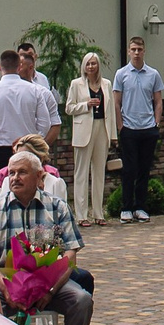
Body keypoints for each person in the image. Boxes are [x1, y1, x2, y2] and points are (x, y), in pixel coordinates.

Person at [0, 151, 94, 325]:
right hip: (7, 281)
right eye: (11, 173)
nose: (15, 178)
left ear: (39, 177)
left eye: (22, 172)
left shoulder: (56, 207)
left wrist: (51, 290)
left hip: (51, 281)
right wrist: (5, 287)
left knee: (82, 300)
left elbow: (70, 254)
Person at [111, 36, 164, 225]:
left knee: (144, 169)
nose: (136, 53)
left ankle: (140, 207)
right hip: (129, 128)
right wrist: (120, 126)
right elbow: (116, 103)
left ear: (144, 51)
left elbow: (158, 101)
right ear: (128, 51)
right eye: (133, 49)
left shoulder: (153, 74)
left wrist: (156, 123)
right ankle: (126, 208)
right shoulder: (121, 74)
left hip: (148, 128)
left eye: (139, 50)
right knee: (129, 169)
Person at [0, 48, 61, 166]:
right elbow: (44, 123)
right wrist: (35, 142)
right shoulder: (35, 91)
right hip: (28, 148)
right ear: (19, 67)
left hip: (2, 151)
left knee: (4, 184)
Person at [54, 51, 110, 223]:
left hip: (102, 127)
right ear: (84, 67)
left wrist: (113, 135)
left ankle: (98, 214)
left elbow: (111, 112)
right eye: (88, 64)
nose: (91, 67)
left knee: (99, 172)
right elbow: (69, 108)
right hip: (83, 129)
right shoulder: (76, 84)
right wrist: (86, 105)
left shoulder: (106, 84)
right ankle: (81, 215)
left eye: (94, 63)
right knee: (81, 173)